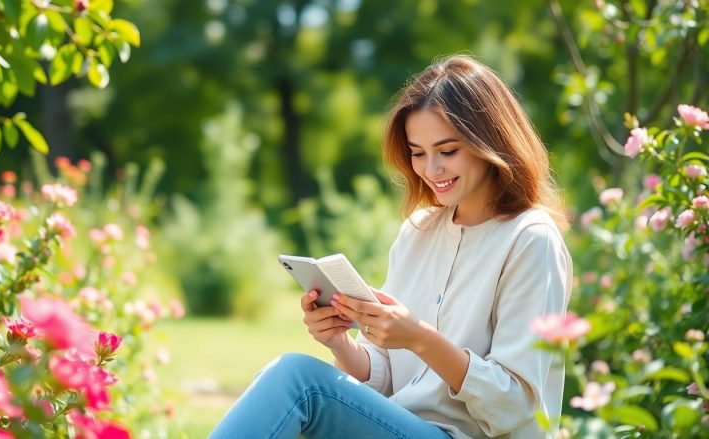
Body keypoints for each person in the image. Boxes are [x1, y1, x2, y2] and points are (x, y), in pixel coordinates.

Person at [209, 54, 572, 439]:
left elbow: (518, 407)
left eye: (448, 151)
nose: (431, 169)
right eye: (418, 153)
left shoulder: (530, 240)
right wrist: (340, 344)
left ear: (490, 142)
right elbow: (384, 376)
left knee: (297, 380)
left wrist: (420, 338)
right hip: (403, 427)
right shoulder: (418, 232)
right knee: (282, 378)